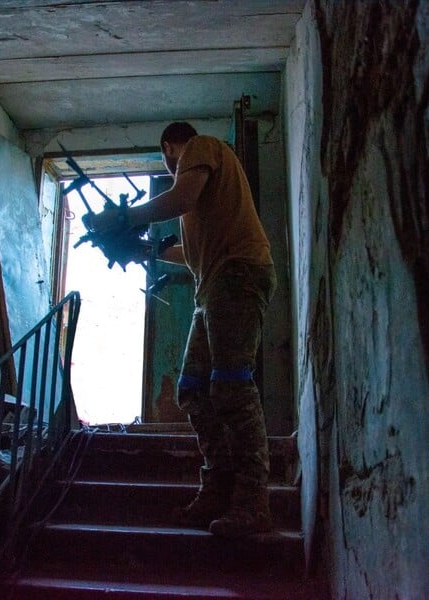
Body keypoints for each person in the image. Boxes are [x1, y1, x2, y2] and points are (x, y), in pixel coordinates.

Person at [87, 122, 277, 538]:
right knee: (192, 388)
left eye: (168, 161)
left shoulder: (200, 148)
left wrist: (121, 217)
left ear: (168, 148)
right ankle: (218, 490)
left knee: (232, 386)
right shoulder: (203, 205)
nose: (173, 168)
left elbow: (179, 197)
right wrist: (142, 249)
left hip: (237, 275)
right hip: (214, 284)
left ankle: (252, 502)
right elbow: (189, 256)